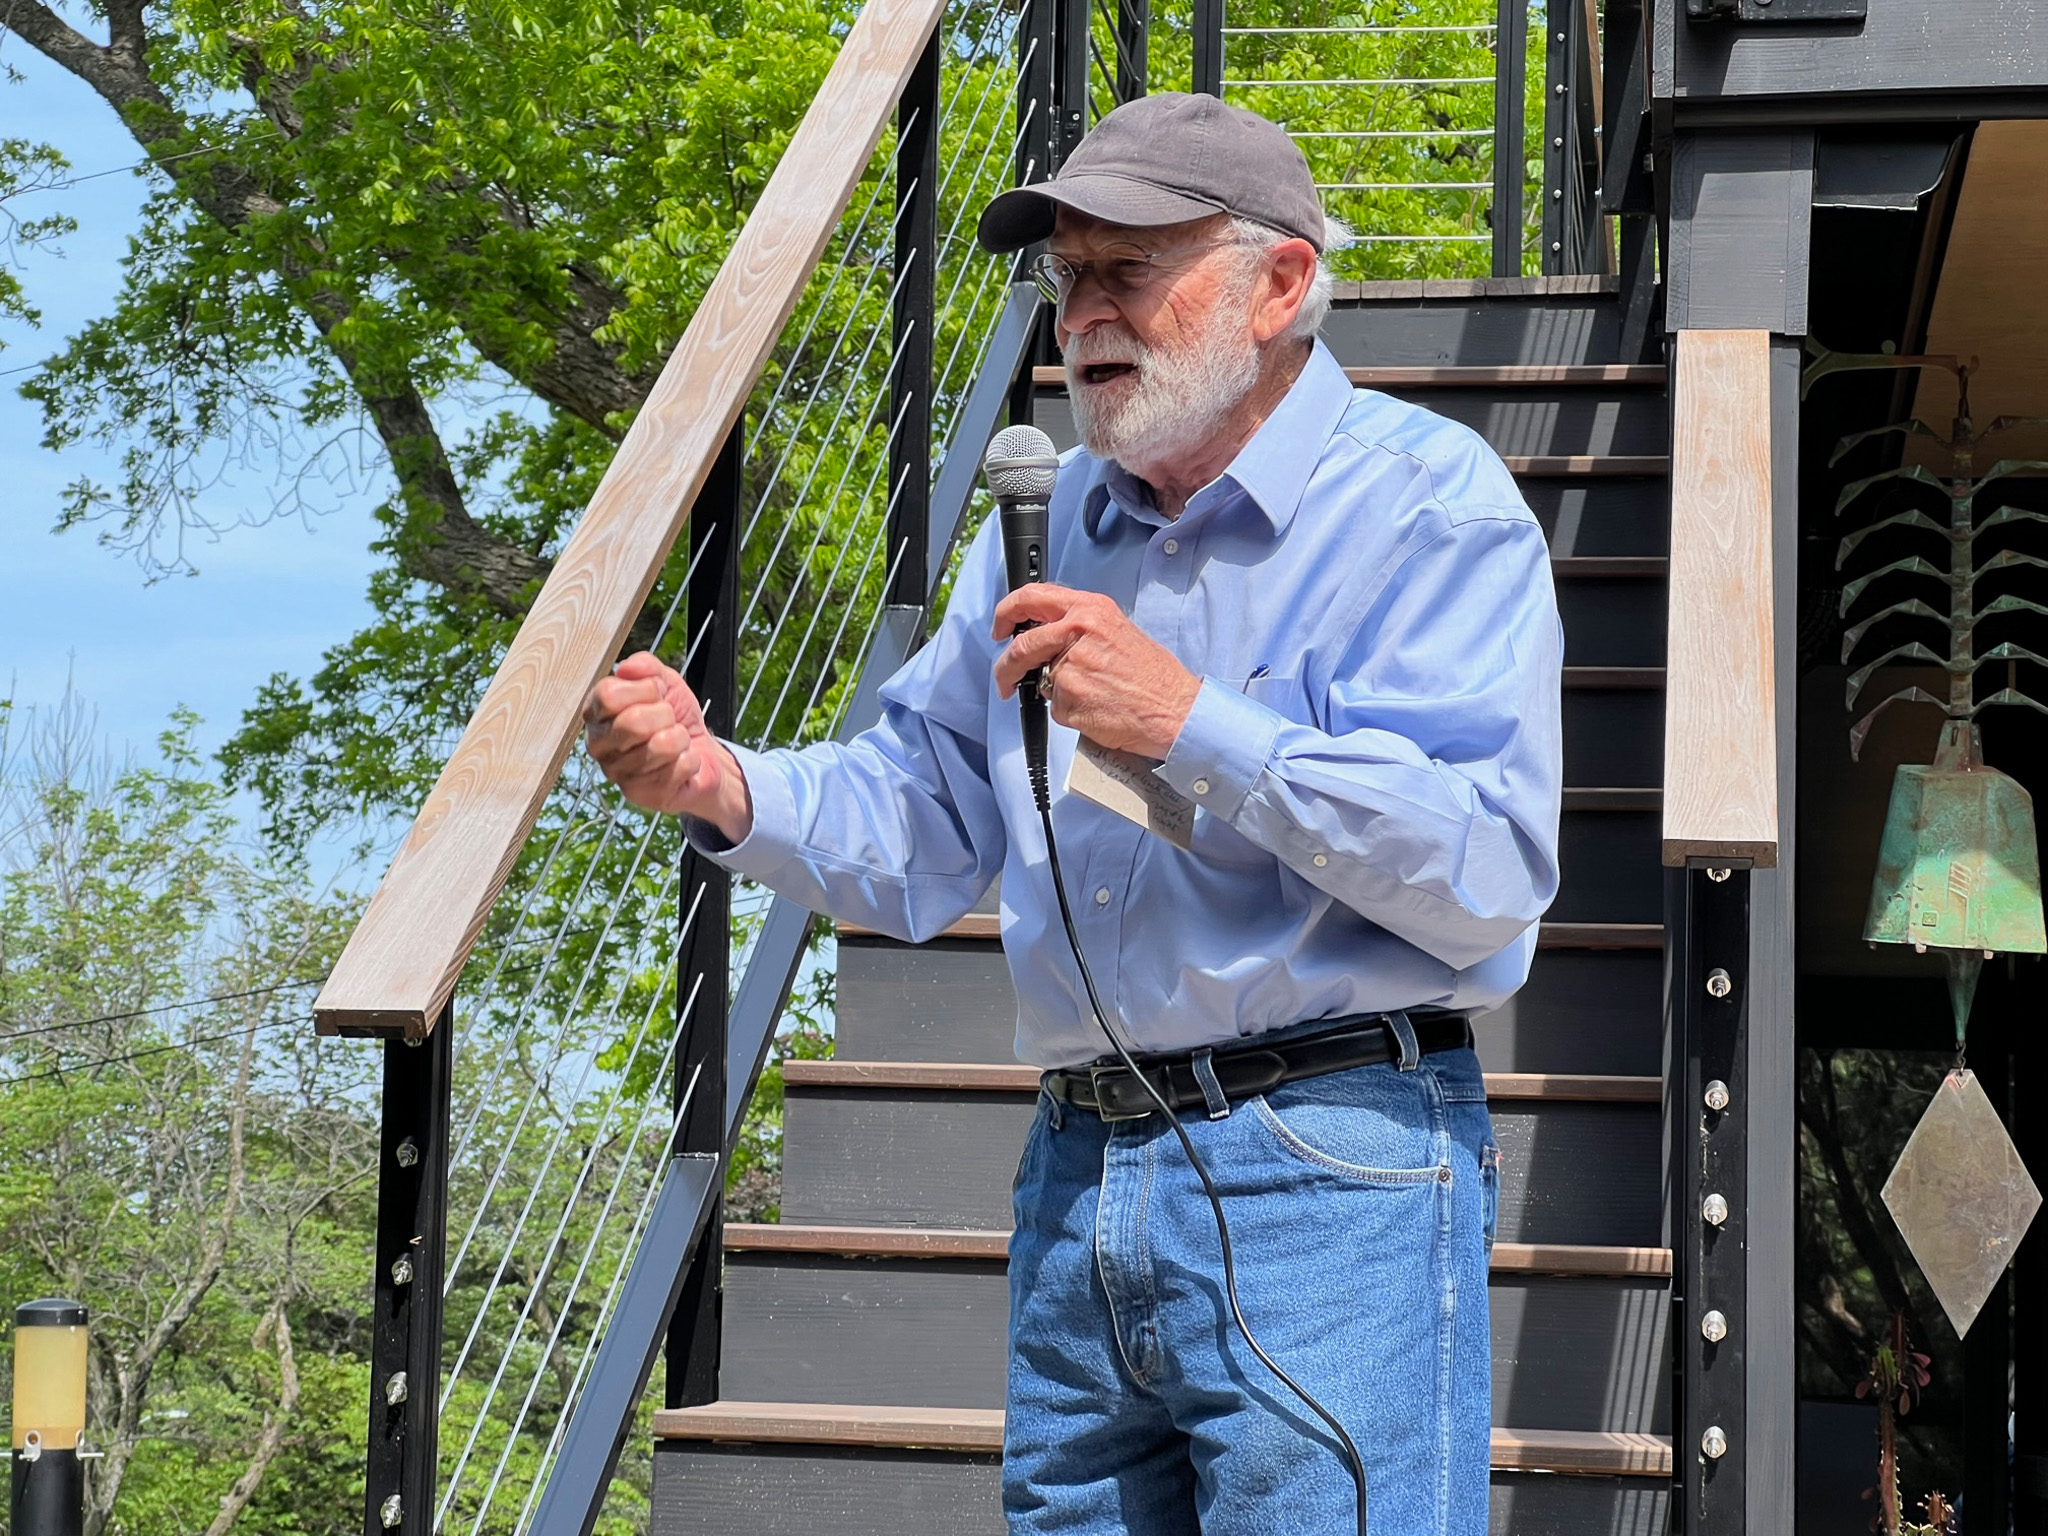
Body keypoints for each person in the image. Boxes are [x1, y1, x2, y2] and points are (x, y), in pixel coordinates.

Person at [584, 91, 1561, 1536]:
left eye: (1128, 271)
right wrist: (719, 784)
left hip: (1329, 1165)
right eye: (1067, 277)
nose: (1081, 316)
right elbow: (924, 814)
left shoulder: (1428, 508)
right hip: (1081, 1167)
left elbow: (1485, 871)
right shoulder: (1044, 531)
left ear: (1280, 284)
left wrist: (1189, 722)